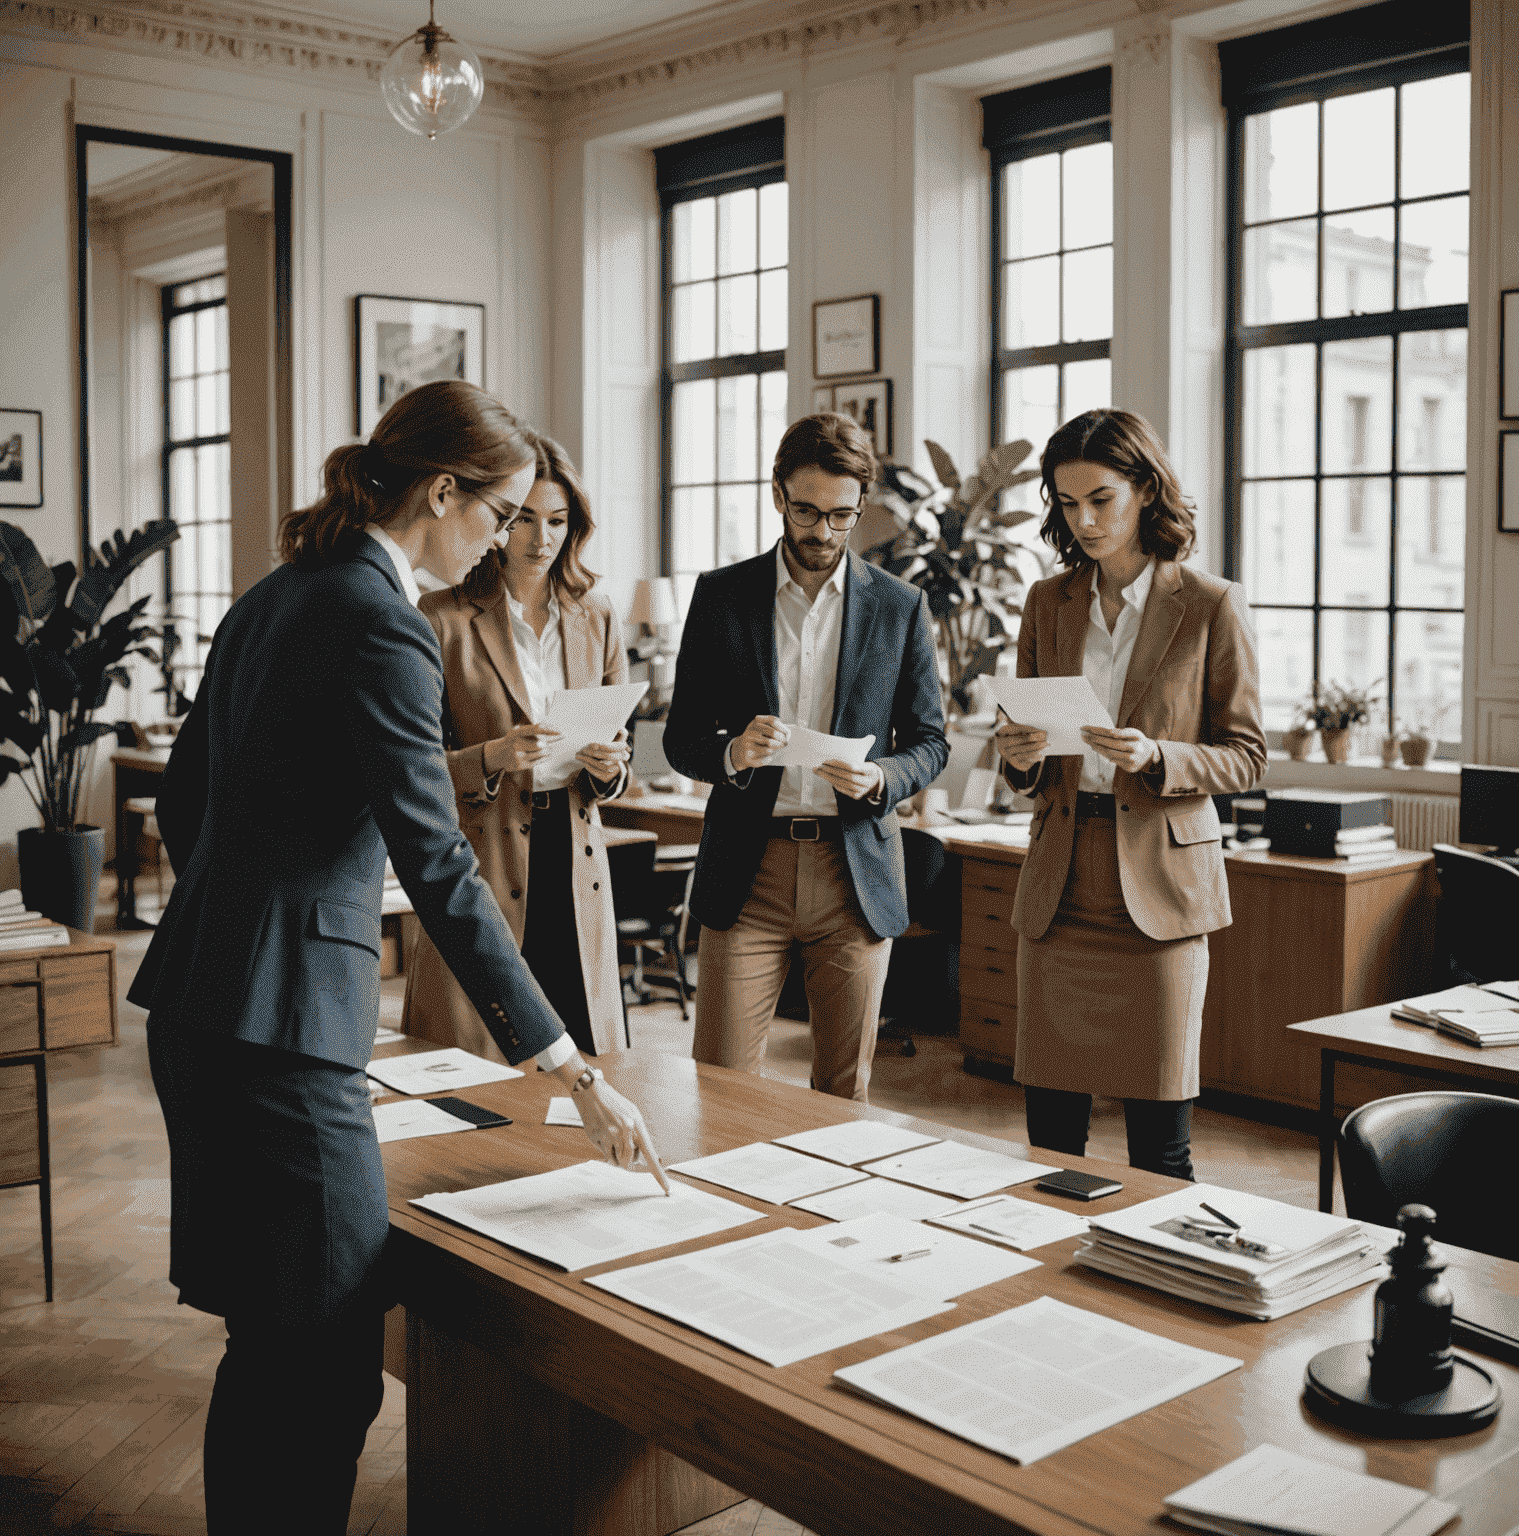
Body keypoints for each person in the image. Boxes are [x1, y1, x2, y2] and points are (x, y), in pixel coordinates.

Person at [128, 380, 663, 1535]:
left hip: (204, 1004)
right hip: (280, 1033)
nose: (507, 538)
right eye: (501, 512)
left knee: (272, 1345)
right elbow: (440, 866)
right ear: (440, 493)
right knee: (325, 1355)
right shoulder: (384, 621)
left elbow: (188, 801)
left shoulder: (280, 594)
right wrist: (567, 1063)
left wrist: (265, 895)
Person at [994, 408, 1266, 1181]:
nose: (1082, 519)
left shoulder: (1211, 604)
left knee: (1160, 1148)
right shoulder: (1048, 603)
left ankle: (1168, 1290)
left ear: (1146, 490)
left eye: (1101, 499)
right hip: (1059, 889)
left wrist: (1157, 756)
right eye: (1067, 502)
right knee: (1049, 1147)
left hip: (1159, 898)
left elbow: (1246, 757)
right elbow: (1026, 753)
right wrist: (1019, 755)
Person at [664, 413, 949, 1103]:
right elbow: (680, 739)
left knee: (842, 1093)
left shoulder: (900, 607)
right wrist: (732, 751)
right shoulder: (721, 596)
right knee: (723, 1085)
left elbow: (931, 740)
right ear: (776, 495)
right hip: (747, 871)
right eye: (806, 510)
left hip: (852, 871)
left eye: (842, 516)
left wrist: (884, 776)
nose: (822, 531)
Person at [402, 430, 630, 1063]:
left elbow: (619, 748)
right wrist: (492, 757)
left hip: (576, 862)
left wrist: (611, 768)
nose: (541, 538)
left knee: (580, 1053)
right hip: (484, 857)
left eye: (557, 521)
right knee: (477, 1061)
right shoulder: (440, 616)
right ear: (499, 522)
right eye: (524, 518)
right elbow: (411, 771)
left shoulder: (598, 615)